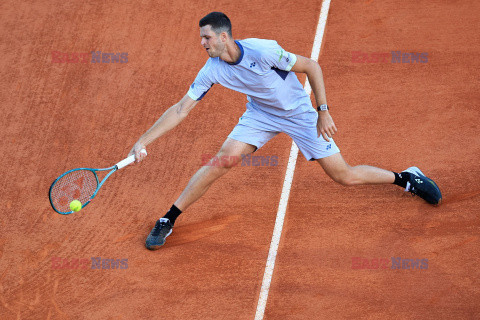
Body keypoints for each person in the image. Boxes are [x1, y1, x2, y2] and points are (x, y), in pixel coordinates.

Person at [128, 12, 442, 250]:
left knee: (344, 176)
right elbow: (182, 108)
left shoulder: (263, 51)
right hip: (261, 115)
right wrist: (143, 140)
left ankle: (406, 178)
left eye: (206, 38)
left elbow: (311, 66)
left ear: (224, 37)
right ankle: (168, 217)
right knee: (221, 162)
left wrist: (322, 111)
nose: (202, 43)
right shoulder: (212, 69)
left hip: (300, 114)